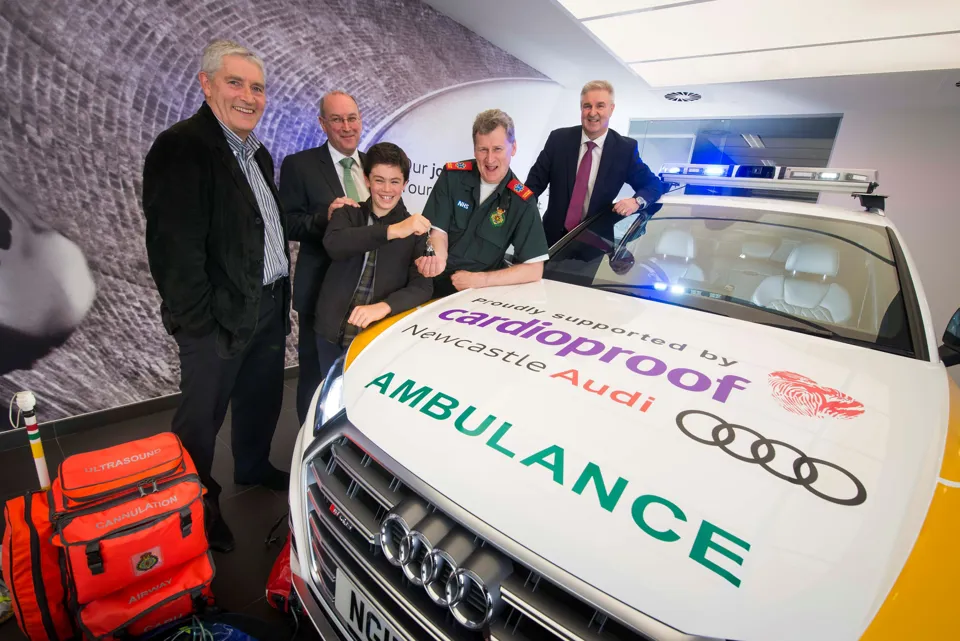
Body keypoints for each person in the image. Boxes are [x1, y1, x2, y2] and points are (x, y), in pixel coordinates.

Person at [142, 39, 291, 553]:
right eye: (236, 83)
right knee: (201, 421)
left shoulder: (258, 151)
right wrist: (197, 326)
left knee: (260, 398)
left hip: (267, 308)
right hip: (218, 320)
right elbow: (173, 250)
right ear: (206, 84)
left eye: (257, 87)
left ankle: (252, 464)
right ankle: (196, 508)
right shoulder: (182, 146)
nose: (249, 96)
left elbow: (256, 228)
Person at [278, 90, 367, 425]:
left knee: (356, 373)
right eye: (337, 119)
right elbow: (286, 221)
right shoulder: (299, 165)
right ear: (322, 124)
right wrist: (324, 219)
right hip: (321, 292)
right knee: (316, 378)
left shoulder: (374, 165)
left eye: (352, 118)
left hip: (367, 295)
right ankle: (310, 443)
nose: (346, 127)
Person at [314, 142, 432, 372]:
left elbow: (422, 287)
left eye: (394, 181)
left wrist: (384, 306)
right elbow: (334, 245)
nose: (386, 189)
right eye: (379, 180)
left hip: (379, 338)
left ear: (405, 184)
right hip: (331, 334)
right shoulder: (347, 213)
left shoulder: (416, 230)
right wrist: (392, 231)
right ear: (367, 180)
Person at [415, 109, 549, 297]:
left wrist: (480, 280)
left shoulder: (522, 201)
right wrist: (438, 261)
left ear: (514, 148)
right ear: (474, 149)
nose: (490, 159)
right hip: (429, 282)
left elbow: (534, 269)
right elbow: (438, 232)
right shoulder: (452, 176)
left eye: (497, 149)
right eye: (483, 149)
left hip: (477, 293)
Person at [525, 80, 664, 246]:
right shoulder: (558, 140)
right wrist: (523, 221)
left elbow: (654, 185)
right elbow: (532, 187)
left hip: (594, 245)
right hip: (550, 240)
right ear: (581, 108)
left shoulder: (624, 150)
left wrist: (636, 202)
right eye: (587, 106)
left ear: (611, 109)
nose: (593, 113)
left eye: (600, 106)